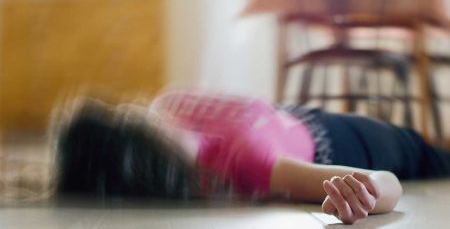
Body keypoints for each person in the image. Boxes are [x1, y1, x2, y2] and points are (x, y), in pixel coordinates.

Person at [53, 89, 450, 224]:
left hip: (303, 118)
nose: (130, 110)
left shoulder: (168, 103)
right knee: (433, 157)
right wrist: (363, 192)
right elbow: (388, 183)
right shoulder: (252, 161)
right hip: (356, 142)